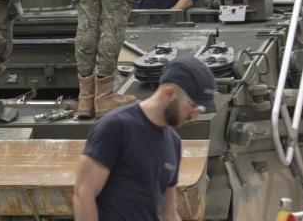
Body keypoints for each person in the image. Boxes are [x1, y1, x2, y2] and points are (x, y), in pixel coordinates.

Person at [73, 56, 216, 221]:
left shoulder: (174, 142)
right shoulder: (116, 126)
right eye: (192, 105)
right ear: (169, 93)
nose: (195, 114)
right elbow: (83, 194)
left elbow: (168, 213)